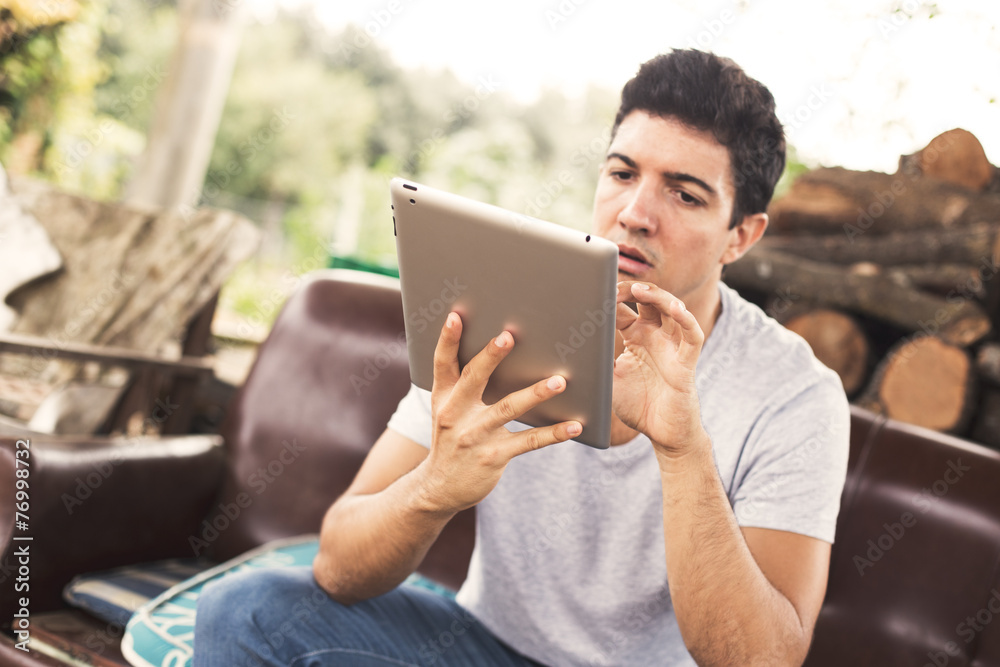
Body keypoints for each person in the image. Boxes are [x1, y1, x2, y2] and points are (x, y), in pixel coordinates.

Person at [194, 48, 849, 667]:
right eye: (622, 173)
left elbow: (762, 658)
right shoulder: (499, 305)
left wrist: (683, 449)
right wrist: (433, 489)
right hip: (484, 646)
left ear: (741, 236)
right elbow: (337, 565)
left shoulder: (795, 394)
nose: (635, 213)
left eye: (685, 194)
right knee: (246, 612)